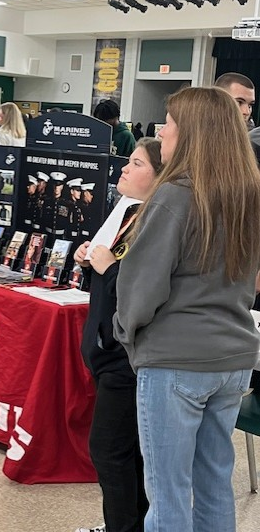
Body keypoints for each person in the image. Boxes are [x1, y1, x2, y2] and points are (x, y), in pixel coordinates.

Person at [113, 86, 260, 532]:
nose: (161, 130)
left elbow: (142, 286)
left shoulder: (174, 196)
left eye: (170, 122)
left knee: (168, 492)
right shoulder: (249, 194)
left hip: (176, 359)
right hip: (233, 358)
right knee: (215, 483)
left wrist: (126, 332)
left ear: (192, 133)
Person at [74, 138, 162, 532]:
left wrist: (108, 268)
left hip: (127, 358)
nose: (125, 169)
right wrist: (90, 259)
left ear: (159, 178)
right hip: (107, 351)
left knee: (111, 452)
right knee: (125, 454)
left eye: (137, 163)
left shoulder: (154, 224)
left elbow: (134, 291)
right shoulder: (126, 213)